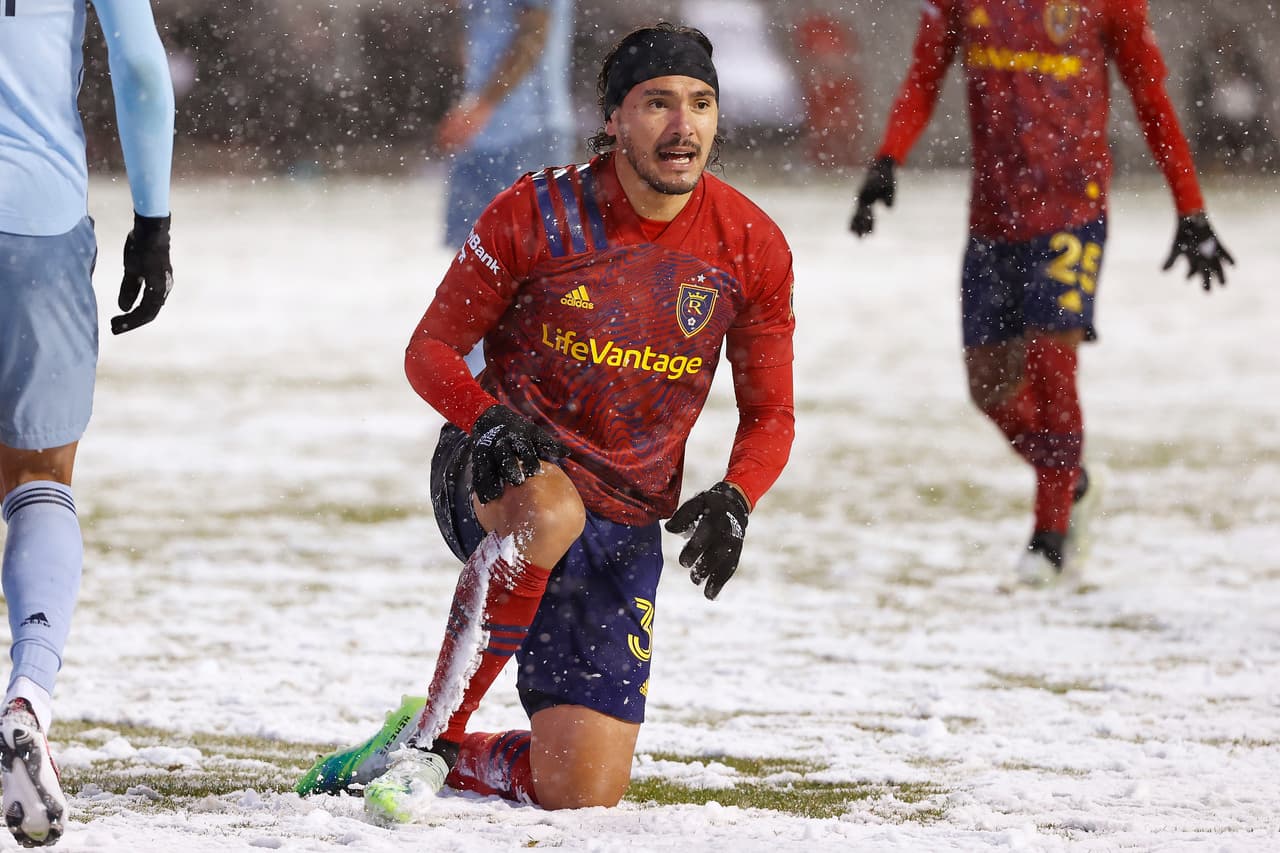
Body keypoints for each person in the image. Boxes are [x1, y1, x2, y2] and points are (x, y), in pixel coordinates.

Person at [297, 22, 795, 819]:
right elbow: (429, 351)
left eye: (701, 103)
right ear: (612, 119)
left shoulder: (751, 244)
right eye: (657, 103)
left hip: (624, 516)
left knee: (580, 793)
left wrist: (739, 495)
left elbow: (772, 414)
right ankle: (434, 739)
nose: (683, 125)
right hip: (494, 465)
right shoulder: (535, 210)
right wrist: (487, 420)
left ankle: (434, 754)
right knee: (551, 506)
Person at [850, 0, 1232, 588]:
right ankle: (1069, 479)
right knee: (989, 388)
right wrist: (887, 158)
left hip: (1071, 211)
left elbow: (1150, 98)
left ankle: (1048, 541)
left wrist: (1191, 209)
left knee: (1053, 366)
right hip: (992, 218)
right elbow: (925, 78)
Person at [0, 1, 174, 845]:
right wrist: (153, 219)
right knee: (38, 474)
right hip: (35, 219)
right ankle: (28, 698)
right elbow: (140, 65)